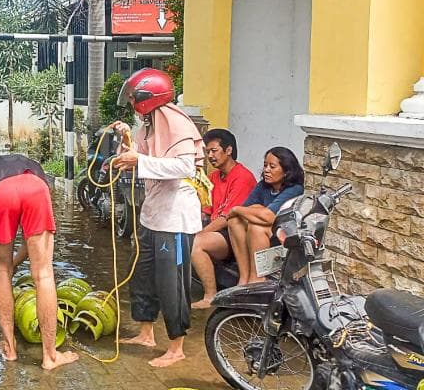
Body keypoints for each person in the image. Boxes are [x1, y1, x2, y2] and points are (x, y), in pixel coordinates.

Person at [110, 67, 205, 368]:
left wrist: (139, 160)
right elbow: (141, 158)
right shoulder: (148, 126)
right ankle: (146, 332)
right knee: (142, 276)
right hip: (153, 214)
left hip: (175, 218)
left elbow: (183, 168)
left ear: (147, 97)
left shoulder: (176, 122)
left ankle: (176, 347)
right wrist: (126, 146)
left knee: (172, 284)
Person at [0, 154, 78, 370]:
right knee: (44, 274)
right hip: (35, 190)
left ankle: (9, 348)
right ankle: (50, 356)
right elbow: (31, 240)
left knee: (1, 270)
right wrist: (17, 262)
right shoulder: (37, 173)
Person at [190, 129, 257, 309]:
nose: (210, 156)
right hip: (218, 230)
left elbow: (227, 218)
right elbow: (205, 209)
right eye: (207, 152)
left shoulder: (242, 177)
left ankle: (210, 296)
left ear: (228, 150)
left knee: (196, 243)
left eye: (214, 151)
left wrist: (201, 233)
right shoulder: (213, 176)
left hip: (236, 233)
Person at [227, 146, 305, 284]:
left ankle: (256, 278)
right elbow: (247, 209)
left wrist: (236, 209)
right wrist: (241, 211)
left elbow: (269, 217)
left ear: (286, 171)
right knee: (235, 221)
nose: (266, 170)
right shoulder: (263, 186)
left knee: (255, 225)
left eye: (272, 166)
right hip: (263, 233)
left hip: (283, 238)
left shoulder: (294, 189)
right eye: (265, 165)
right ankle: (244, 278)